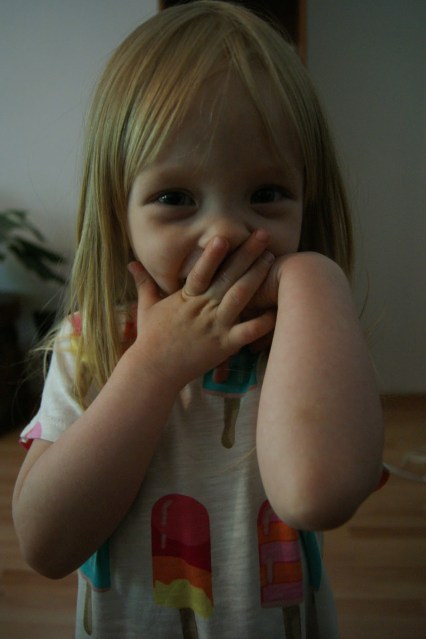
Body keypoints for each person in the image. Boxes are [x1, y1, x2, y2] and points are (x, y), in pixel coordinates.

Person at [12, 2, 384, 637]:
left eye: (266, 194)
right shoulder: (93, 346)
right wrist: (153, 368)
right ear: (119, 213)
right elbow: (45, 545)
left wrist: (315, 278)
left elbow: (317, 494)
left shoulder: (307, 337)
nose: (225, 231)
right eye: (175, 198)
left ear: (307, 200)